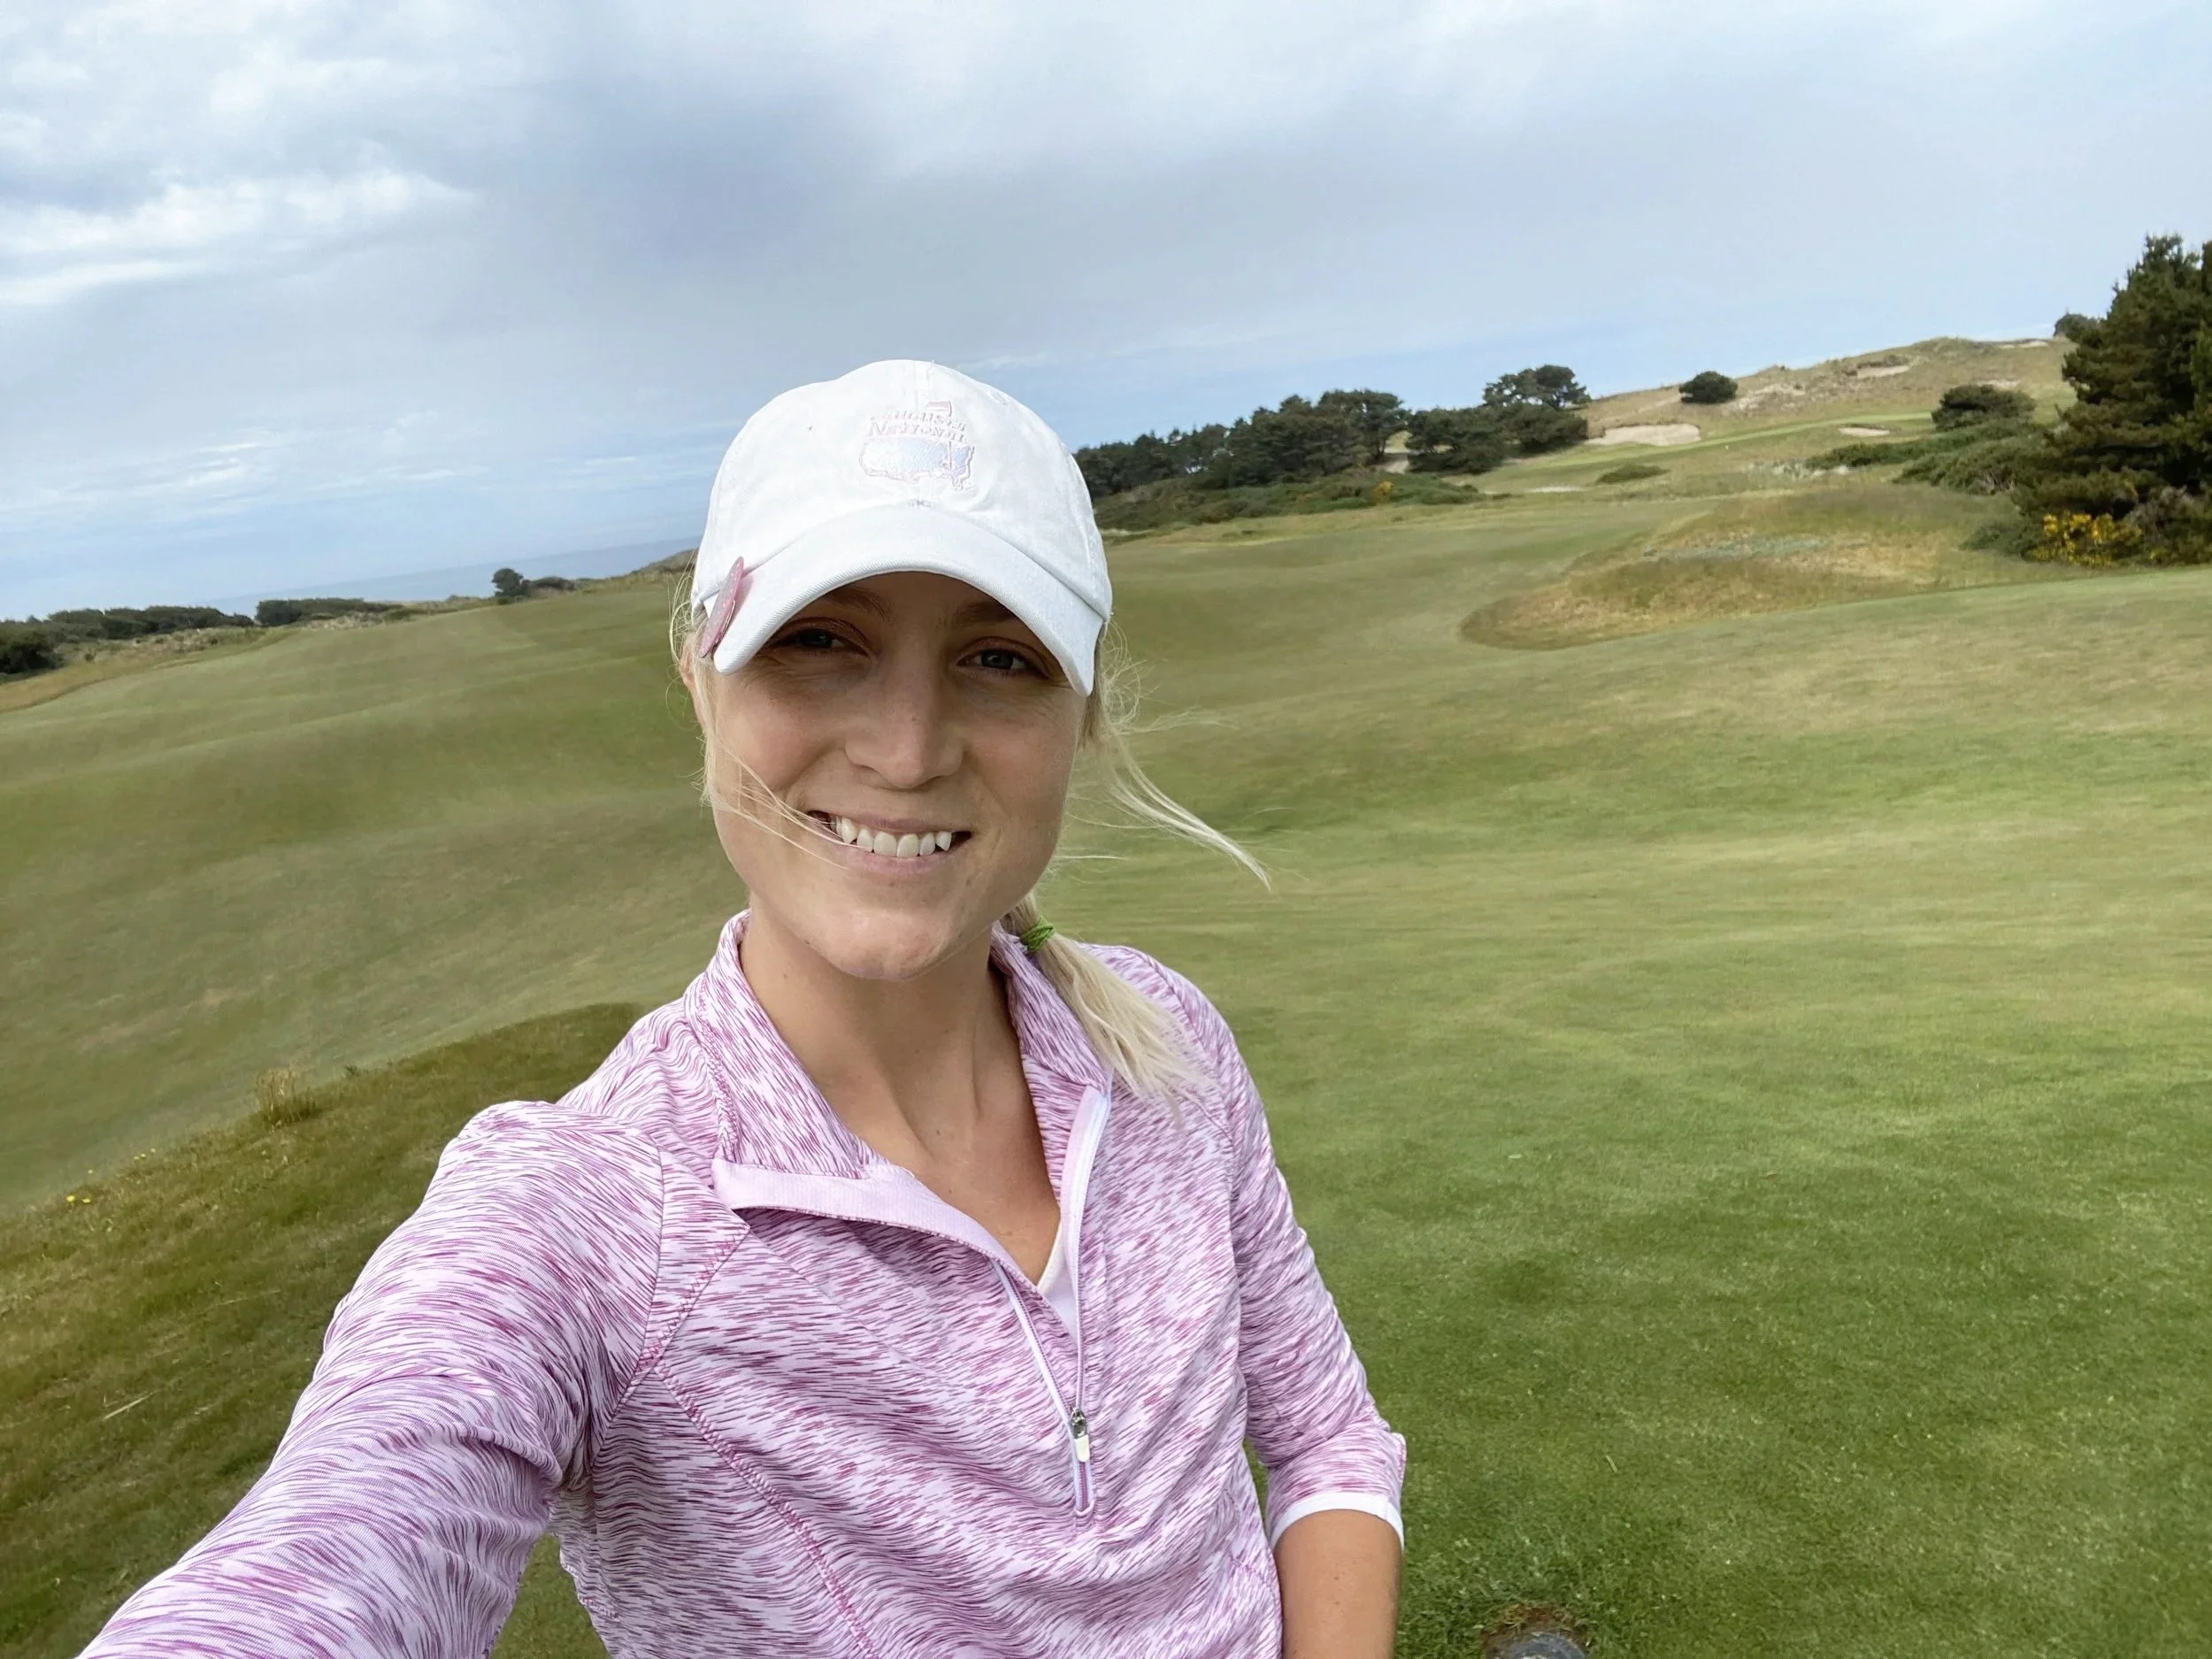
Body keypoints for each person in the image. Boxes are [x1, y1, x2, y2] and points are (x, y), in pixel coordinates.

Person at [82, 360, 1405, 1657]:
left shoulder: (1166, 1041)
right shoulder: (587, 1213)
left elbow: (1329, 1439)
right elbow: (331, 1552)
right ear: (698, 679)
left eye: (999, 657)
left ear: (1083, 718)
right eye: (820, 643)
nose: (906, 749)